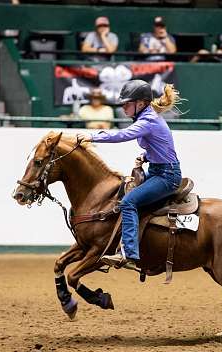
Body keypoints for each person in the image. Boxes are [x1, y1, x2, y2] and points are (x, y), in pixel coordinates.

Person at [77, 80, 182, 270]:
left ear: (140, 103)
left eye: (127, 103)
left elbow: (122, 135)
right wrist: (145, 156)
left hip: (166, 176)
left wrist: (92, 136)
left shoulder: (148, 120)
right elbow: (160, 146)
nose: (123, 107)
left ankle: (129, 254)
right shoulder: (148, 117)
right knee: (124, 194)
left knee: (128, 202)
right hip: (159, 170)